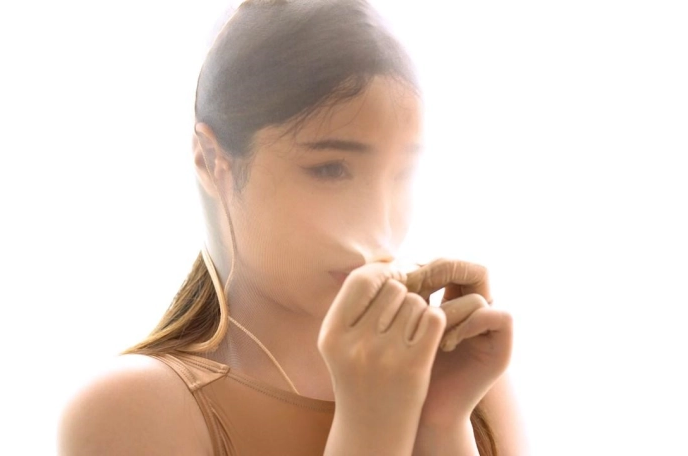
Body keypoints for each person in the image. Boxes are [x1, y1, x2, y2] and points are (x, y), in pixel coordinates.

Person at [57, 1, 524, 454]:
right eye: (331, 170)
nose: (378, 222)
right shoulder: (135, 407)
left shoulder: (465, 379)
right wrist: (370, 425)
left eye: (402, 175)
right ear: (212, 160)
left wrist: (440, 421)